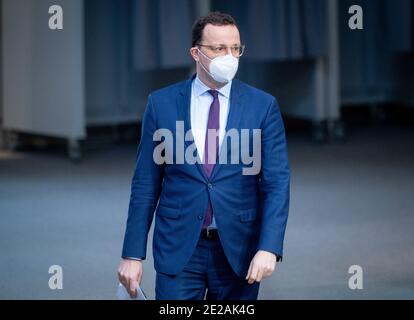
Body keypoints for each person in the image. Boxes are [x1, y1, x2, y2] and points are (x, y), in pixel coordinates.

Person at [118, 11, 290, 300]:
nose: (229, 56)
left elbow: (276, 184)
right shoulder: (161, 104)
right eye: (219, 48)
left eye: (235, 48)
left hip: (240, 249)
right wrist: (133, 254)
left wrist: (269, 247)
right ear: (196, 53)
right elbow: (145, 185)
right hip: (179, 248)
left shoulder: (263, 106)